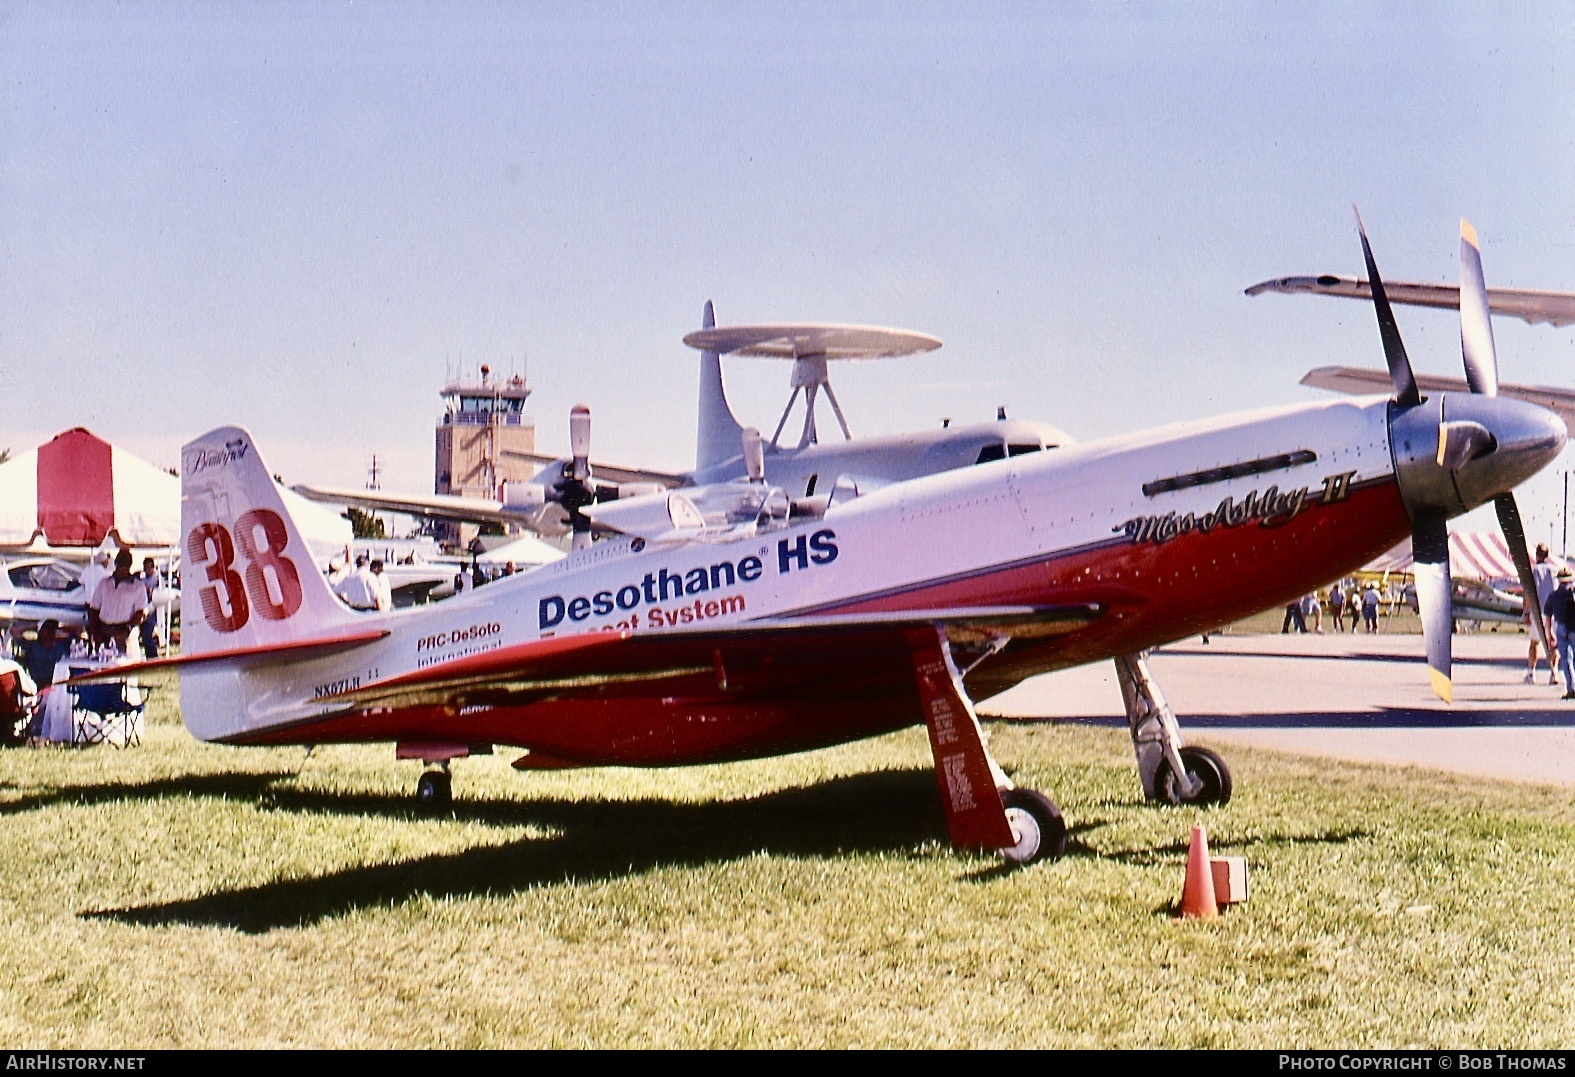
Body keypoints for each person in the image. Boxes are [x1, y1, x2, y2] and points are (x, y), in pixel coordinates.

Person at [88, 550, 147, 651]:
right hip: (103, 630)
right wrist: (95, 631)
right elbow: (94, 608)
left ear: (129, 565)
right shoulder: (104, 583)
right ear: (115, 563)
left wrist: (128, 628)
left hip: (124, 633)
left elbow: (140, 613)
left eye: (125, 565)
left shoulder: (138, 586)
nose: (122, 568)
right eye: (120, 564)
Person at [1526, 544, 1560, 684]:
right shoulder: (1554, 570)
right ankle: (1554, 672)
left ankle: (1531, 673)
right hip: (1552, 610)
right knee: (1552, 643)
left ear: (1537, 555)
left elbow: (1528, 591)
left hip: (1537, 608)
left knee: (1534, 642)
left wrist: (1526, 611)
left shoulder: (1534, 571)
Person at [1545, 566, 1575, 699]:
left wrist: (1549, 633)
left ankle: (1571, 688)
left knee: (1566, 660)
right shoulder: (1573, 593)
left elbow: (1547, 616)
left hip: (1560, 627)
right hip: (1574, 628)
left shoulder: (1553, 595)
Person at [138, 557, 162, 658]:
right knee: (144, 636)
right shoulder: (142, 580)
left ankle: (154, 656)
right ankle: (149, 656)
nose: (147, 570)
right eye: (145, 568)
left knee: (147, 635)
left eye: (148, 568)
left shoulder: (158, 579)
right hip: (144, 608)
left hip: (153, 610)